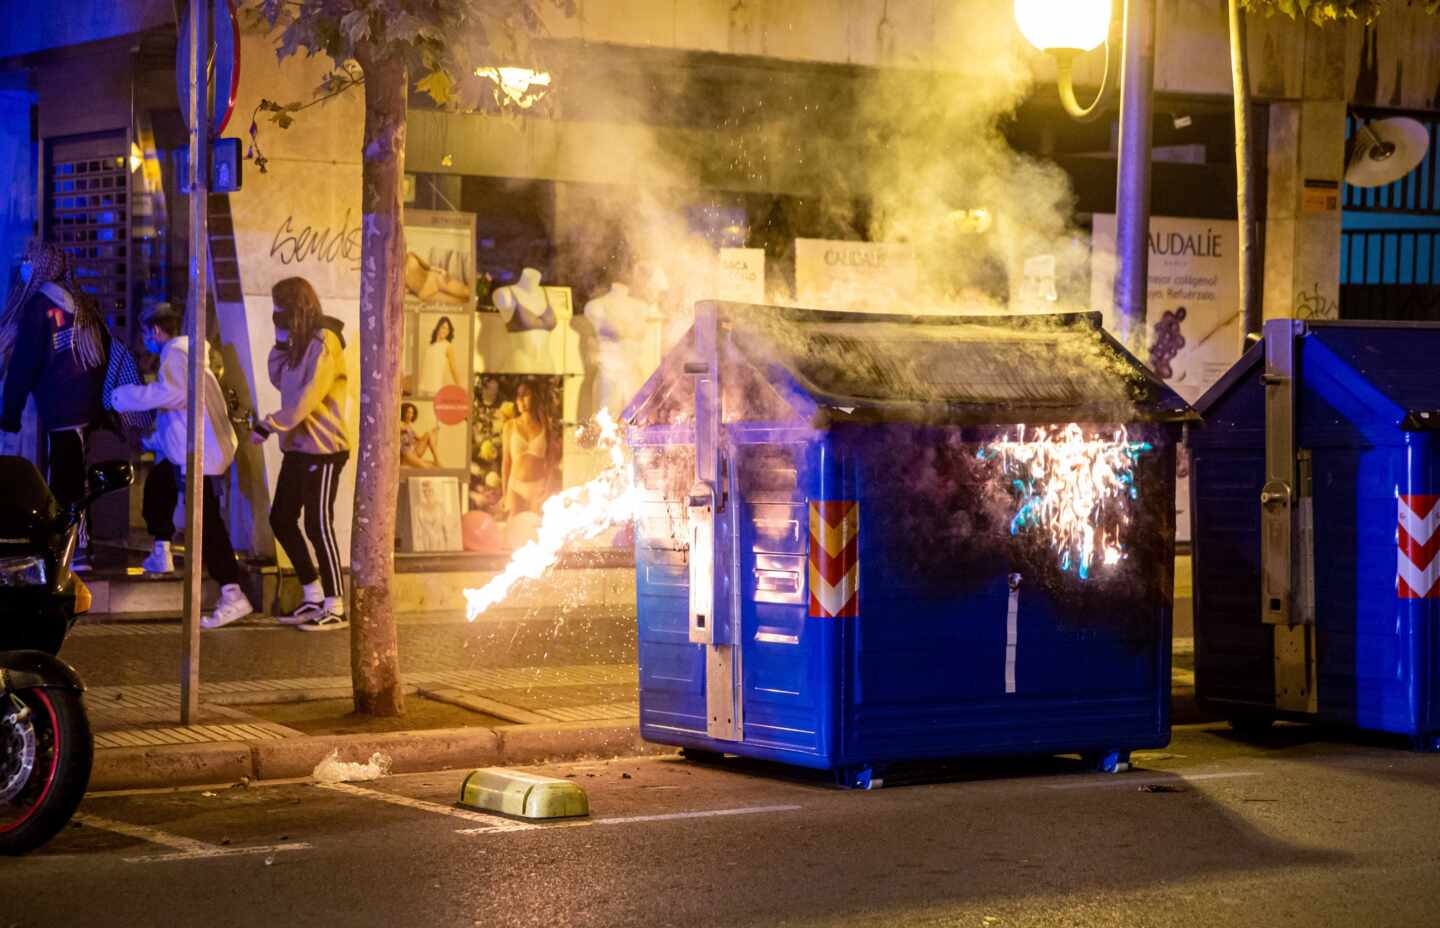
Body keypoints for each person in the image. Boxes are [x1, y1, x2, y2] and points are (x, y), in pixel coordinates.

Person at [111, 304, 250, 628]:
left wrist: (125, 396)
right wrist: (153, 442)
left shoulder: (176, 353)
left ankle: (233, 593)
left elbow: (173, 395)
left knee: (206, 525)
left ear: (156, 332)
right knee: (159, 488)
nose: (147, 340)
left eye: (147, 334)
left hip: (200, 454)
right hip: (193, 450)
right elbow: (184, 414)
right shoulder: (192, 355)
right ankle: (161, 552)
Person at [250, 277, 350, 632]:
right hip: (298, 445)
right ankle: (312, 593)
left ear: (297, 305)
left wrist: (270, 424)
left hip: (325, 447)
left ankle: (336, 604)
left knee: (318, 524)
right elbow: (282, 381)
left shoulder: (325, 341)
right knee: (281, 518)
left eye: (282, 308)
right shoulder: (300, 341)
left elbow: (308, 396)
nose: (278, 314)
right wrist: (280, 340)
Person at [0, 241, 108, 569]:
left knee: (64, 480)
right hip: (84, 405)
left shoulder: (39, 306)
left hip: (61, 407)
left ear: (43, 265)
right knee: (74, 476)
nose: (25, 266)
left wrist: (10, 413)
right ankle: (76, 545)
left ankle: (72, 548)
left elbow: (23, 365)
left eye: (30, 261)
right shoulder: (79, 303)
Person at [501, 381, 554, 516]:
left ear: (534, 397)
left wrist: (547, 489)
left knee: (537, 530)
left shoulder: (544, 427)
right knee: (512, 528)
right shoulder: (510, 426)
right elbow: (506, 462)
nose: (520, 399)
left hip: (538, 487)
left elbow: (550, 462)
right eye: (518, 396)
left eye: (525, 395)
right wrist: (504, 493)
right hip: (515, 486)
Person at [418, 315, 461, 394]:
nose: (445, 331)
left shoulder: (447, 346)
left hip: (435, 389)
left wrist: (460, 387)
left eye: (448, 329)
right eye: (443, 327)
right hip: (423, 387)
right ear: (438, 327)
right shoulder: (430, 345)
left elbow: (453, 368)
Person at [400, 402, 440, 468]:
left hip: (414, 451)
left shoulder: (410, 426)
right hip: (406, 453)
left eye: (412, 413)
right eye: (408, 412)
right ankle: (437, 462)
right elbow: (400, 428)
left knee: (428, 434)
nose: (410, 415)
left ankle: (437, 459)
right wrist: (404, 428)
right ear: (403, 413)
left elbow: (419, 439)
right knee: (429, 467)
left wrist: (433, 432)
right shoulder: (399, 423)